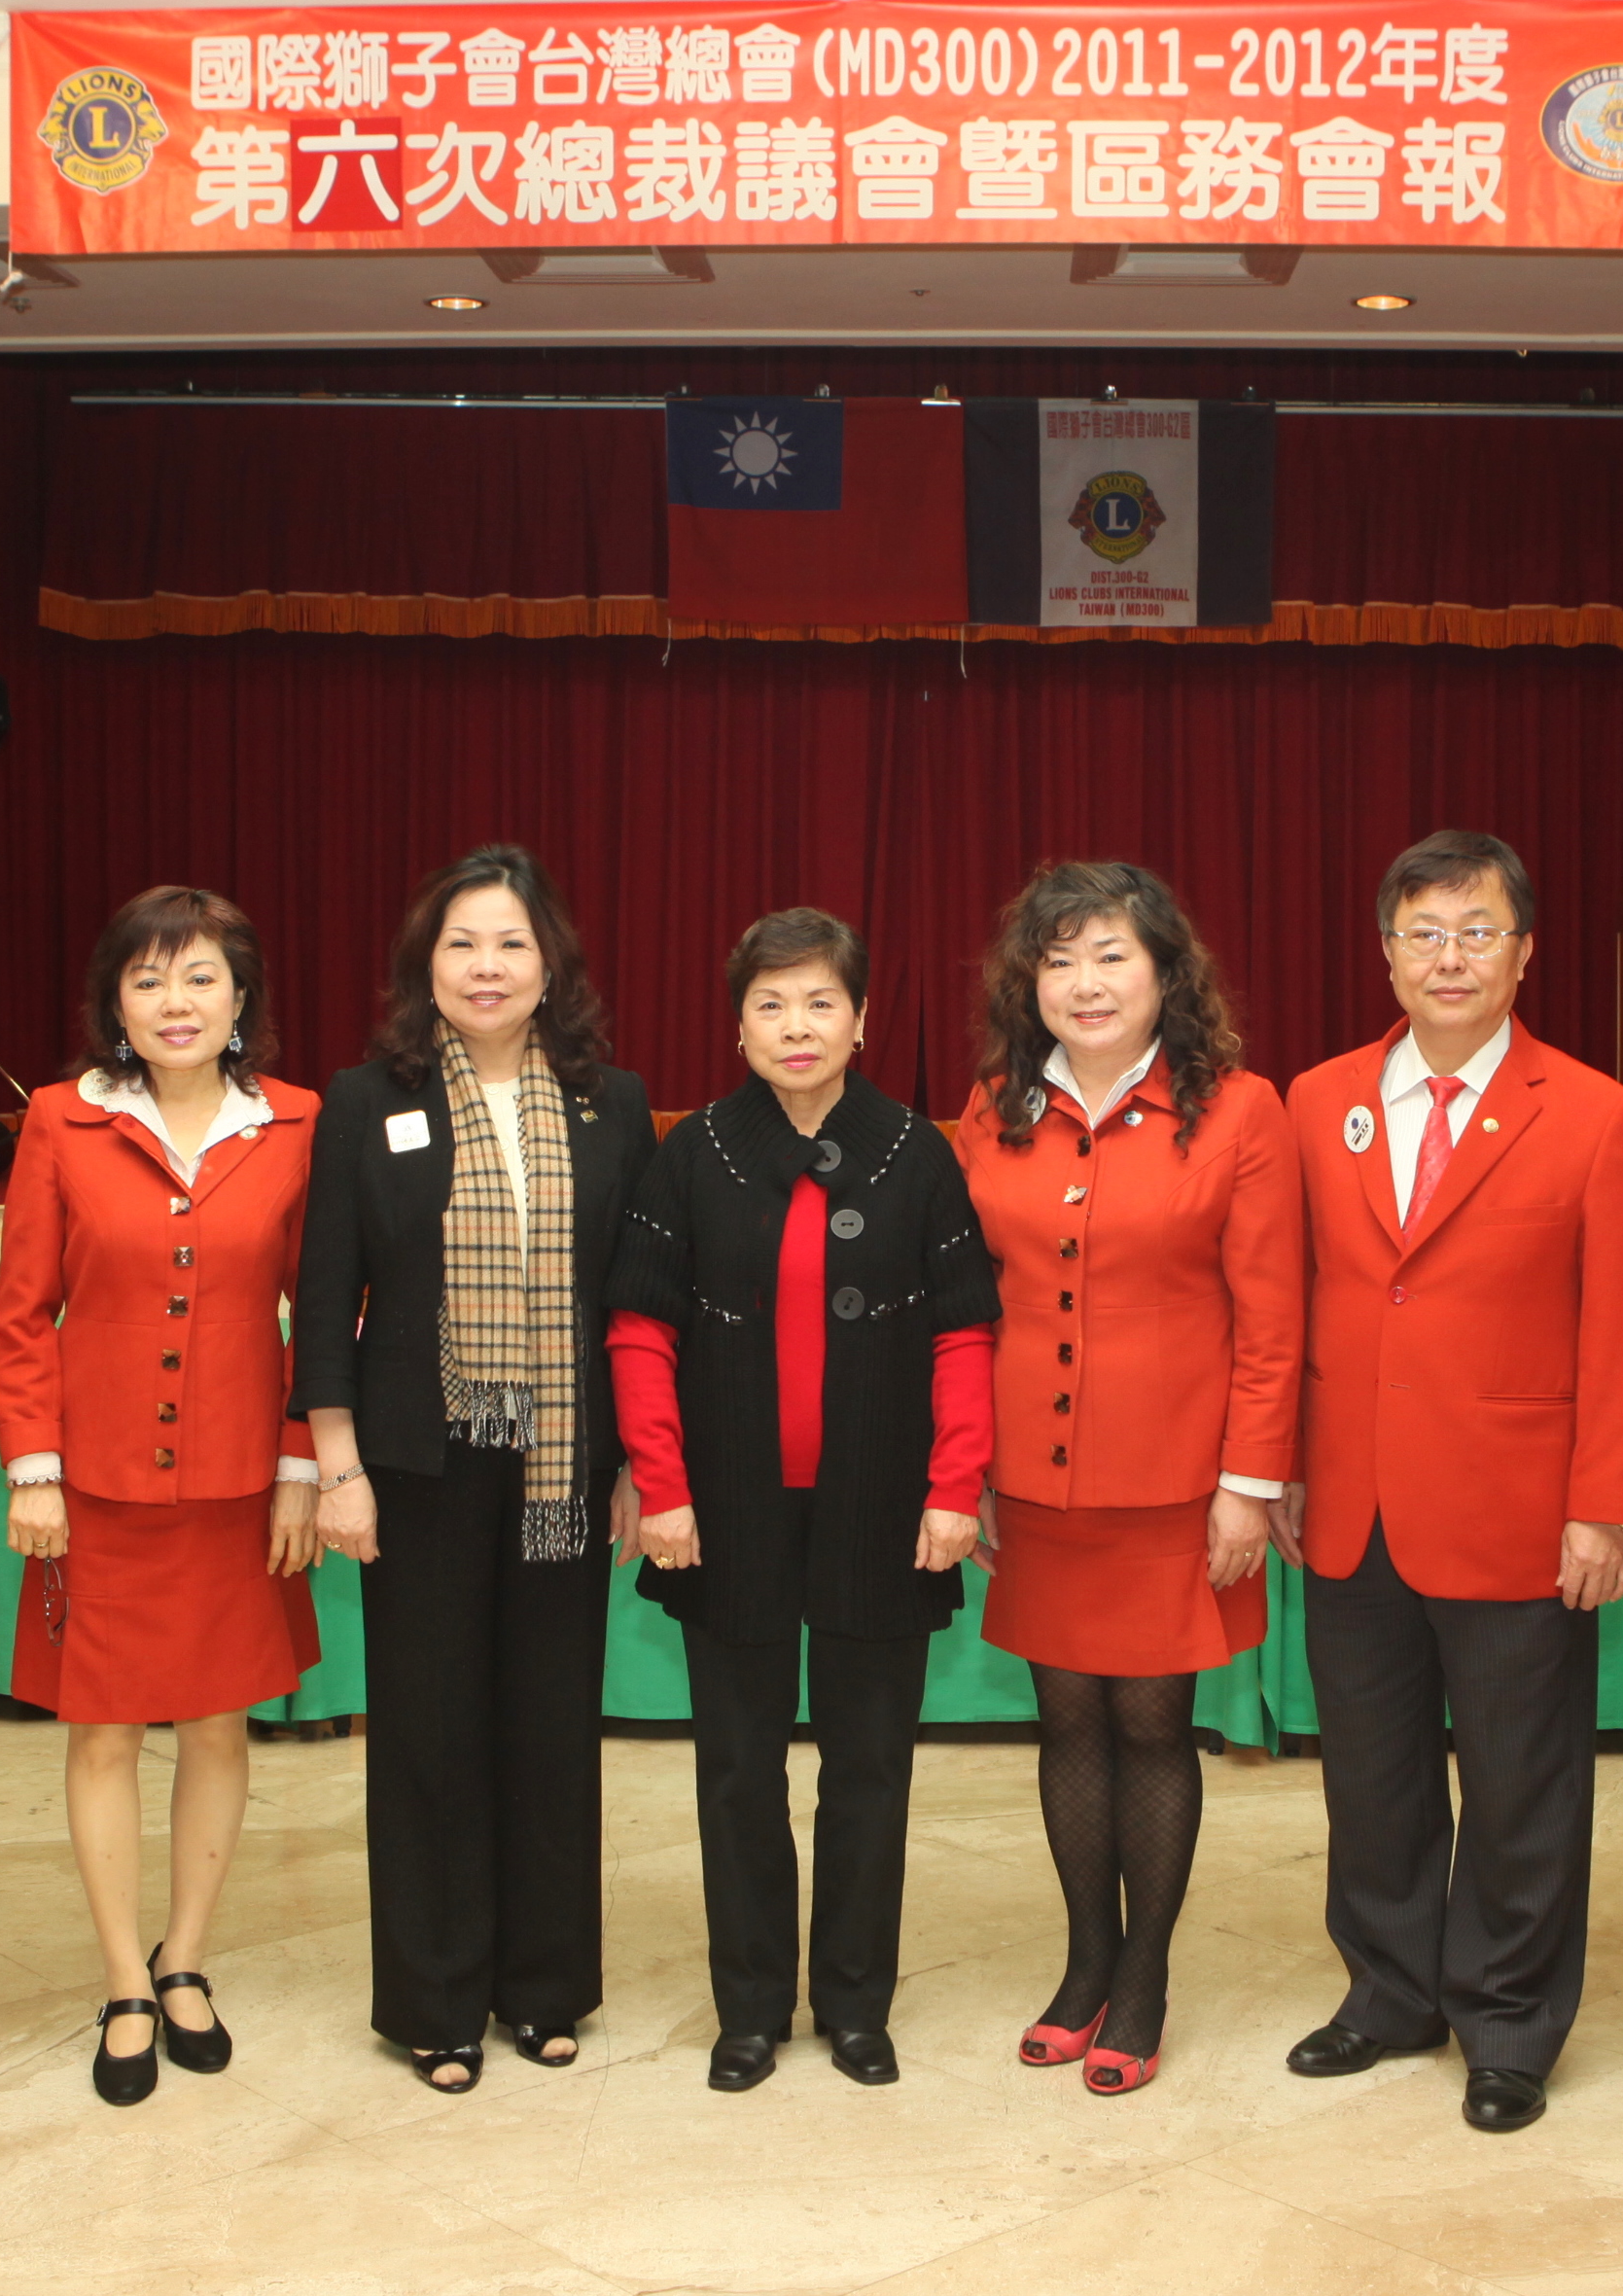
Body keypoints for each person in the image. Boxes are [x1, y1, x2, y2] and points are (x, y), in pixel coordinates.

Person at [1277, 830, 1623, 2134]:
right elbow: (1291, 1299)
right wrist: (1282, 1467)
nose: (1449, 957)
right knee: (1370, 1775)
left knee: (1519, 1785)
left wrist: (1602, 1504)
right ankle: (1389, 1991)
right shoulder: (1315, 1100)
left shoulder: (1598, 1113)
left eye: (1477, 931)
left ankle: (1506, 2019)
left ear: (1524, 952)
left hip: (1521, 1507)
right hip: (1352, 1500)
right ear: (1386, 953)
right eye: (1424, 933)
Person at [610, 908, 1001, 2094]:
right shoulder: (693, 1152)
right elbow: (640, 1329)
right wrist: (662, 1484)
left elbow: (963, 1332)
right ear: (737, 1025)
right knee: (738, 1770)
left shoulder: (916, 1152)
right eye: (771, 1003)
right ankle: (748, 2008)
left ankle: (855, 2004)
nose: (797, 1025)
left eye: (821, 1001)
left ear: (862, 1019)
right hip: (724, 1514)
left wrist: (955, 1487)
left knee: (869, 1768)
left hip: (883, 1511)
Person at [294, 847, 655, 2095]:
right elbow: (326, 1294)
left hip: (565, 1464)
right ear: (426, 964)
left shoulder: (614, 1103)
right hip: (420, 1460)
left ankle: (545, 1984)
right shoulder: (365, 1099)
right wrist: (337, 1465)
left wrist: (636, 1462)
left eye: (510, 943)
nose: (486, 966)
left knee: (551, 1725)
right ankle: (437, 1999)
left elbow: (635, 1302)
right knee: (429, 1731)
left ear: (550, 963)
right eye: (461, 943)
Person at [952, 862, 1300, 2097]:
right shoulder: (993, 1104)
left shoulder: (1239, 1109)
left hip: (1176, 1483)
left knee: (1151, 1726)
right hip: (1032, 1482)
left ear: (1165, 972)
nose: (1086, 982)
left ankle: (1142, 1976)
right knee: (1066, 1723)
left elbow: (1272, 1316)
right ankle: (1084, 1960)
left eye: (1111, 955)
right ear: (1029, 982)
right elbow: (964, 1305)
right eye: (1059, 959)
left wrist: (1249, 1481)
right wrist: (966, 1467)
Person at [0, 888, 327, 2107]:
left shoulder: (297, 1122)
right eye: (147, 980)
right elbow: (19, 1309)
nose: (174, 1003)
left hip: (241, 1485)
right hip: (97, 1484)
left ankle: (184, 1957)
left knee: (218, 1725)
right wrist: (34, 1466)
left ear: (242, 997)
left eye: (200, 978)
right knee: (104, 1730)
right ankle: (123, 1980)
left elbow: (324, 1316)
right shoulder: (62, 1119)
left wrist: (301, 1466)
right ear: (115, 1003)